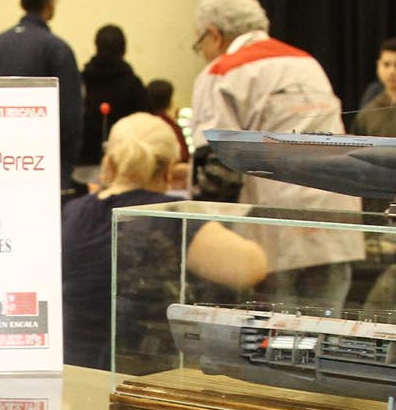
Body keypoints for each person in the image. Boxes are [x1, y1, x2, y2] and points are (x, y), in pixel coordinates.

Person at [188, 0, 362, 317]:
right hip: (335, 228)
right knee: (322, 336)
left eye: (200, 44)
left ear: (214, 34)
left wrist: (202, 237)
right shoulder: (308, 63)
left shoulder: (222, 72)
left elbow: (217, 173)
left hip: (272, 237)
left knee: (270, 338)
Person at [60, 113, 264, 371]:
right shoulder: (169, 215)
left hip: (75, 370)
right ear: (169, 170)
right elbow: (250, 267)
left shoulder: (73, 211)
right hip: (144, 373)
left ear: (108, 162)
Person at [0, 0, 81, 193]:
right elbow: (69, 117)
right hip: (42, 167)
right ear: (50, 2)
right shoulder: (57, 49)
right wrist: (64, 170)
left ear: (21, 3)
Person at [79, 23, 146, 171]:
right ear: (124, 50)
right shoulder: (134, 84)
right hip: (125, 162)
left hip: (83, 160)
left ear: (96, 47)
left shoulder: (81, 81)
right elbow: (144, 124)